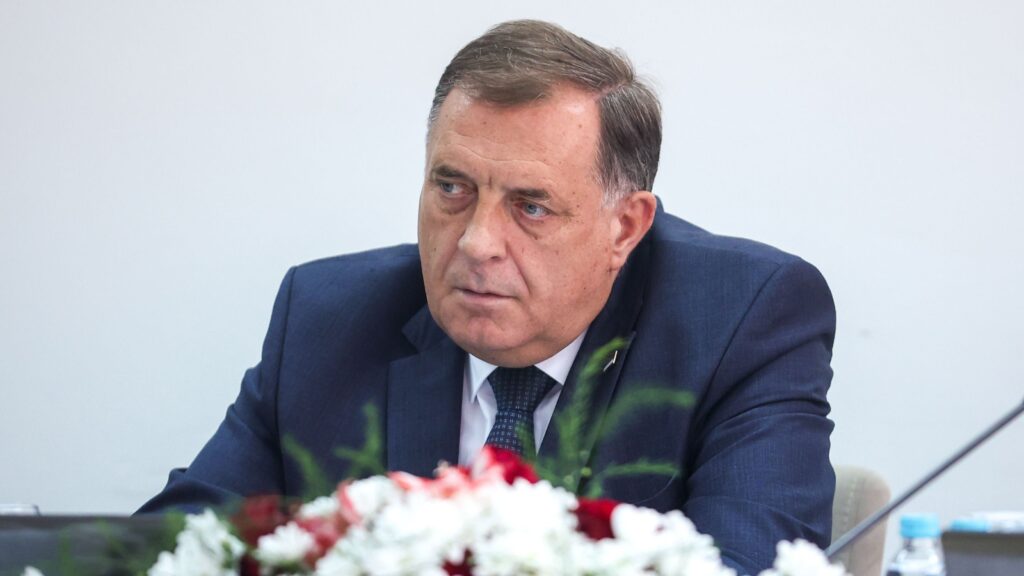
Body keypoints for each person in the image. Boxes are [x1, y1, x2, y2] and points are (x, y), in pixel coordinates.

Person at [140, 20, 836, 573]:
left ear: (624, 227)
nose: (476, 243)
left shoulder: (742, 319)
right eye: (452, 188)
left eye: (530, 207)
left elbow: (748, 563)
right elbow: (172, 549)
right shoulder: (327, 318)